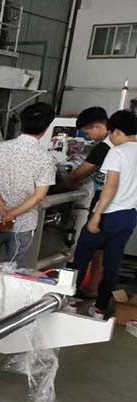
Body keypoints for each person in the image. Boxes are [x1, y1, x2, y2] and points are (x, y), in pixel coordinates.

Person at [0, 102, 57, 268]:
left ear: (22, 123)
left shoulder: (0, 149)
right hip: (22, 224)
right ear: (46, 128)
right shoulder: (45, 159)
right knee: (12, 269)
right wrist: (12, 213)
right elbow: (39, 195)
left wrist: (2, 208)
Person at [71, 109, 137, 320]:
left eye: (111, 133)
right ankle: (100, 310)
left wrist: (97, 215)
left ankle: (70, 303)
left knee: (81, 258)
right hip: (129, 215)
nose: (110, 138)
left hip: (109, 214)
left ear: (116, 131)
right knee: (112, 263)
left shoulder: (117, 152)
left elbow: (110, 186)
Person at [55, 107, 111, 296]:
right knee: (101, 250)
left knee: (85, 248)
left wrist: (57, 189)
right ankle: (92, 289)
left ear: (98, 126)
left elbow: (78, 175)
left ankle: (71, 290)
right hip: (124, 205)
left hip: (104, 201)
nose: (88, 138)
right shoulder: (126, 143)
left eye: (87, 133)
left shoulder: (104, 147)